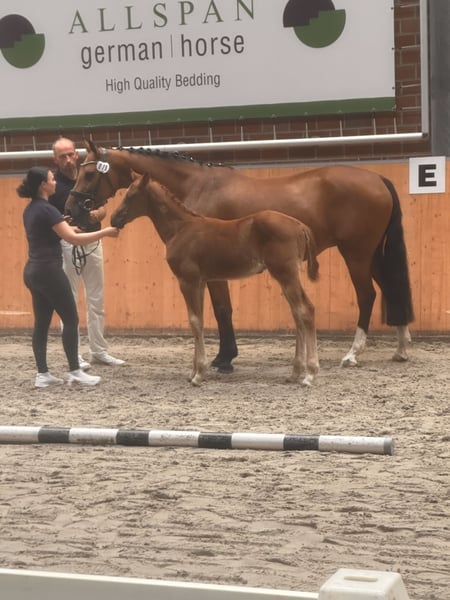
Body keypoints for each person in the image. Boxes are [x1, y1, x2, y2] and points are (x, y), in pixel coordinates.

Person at [18, 166, 120, 387]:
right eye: (51, 179)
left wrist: (66, 227)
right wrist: (105, 232)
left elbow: (50, 233)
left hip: (33, 270)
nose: (55, 182)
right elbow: (73, 241)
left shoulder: (31, 209)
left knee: (41, 324)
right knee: (71, 319)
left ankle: (42, 374)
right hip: (50, 271)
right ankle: (75, 370)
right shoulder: (48, 210)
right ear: (43, 185)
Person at [49, 137, 124, 369]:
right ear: (55, 159)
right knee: (69, 301)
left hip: (93, 240)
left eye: (70, 154)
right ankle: (74, 354)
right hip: (67, 244)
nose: (68, 159)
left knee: (96, 299)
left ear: (76, 154)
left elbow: (102, 205)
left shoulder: (88, 175)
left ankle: (99, 351)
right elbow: (49, 216)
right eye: (62, 156)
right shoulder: (52, 185)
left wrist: (99, 214)